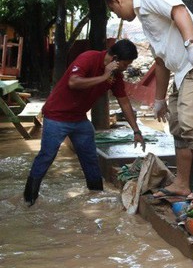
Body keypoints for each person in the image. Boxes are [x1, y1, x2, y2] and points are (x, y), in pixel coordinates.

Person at [104, 0, 193, 200]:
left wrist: (191, 44)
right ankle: (181, 183)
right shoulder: (145, 21)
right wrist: (158, 99)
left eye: (114, 11)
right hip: (182, 71)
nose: (118, 16)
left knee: (190, 121)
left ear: (116, 0)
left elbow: (179, 10)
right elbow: (160, 62)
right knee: (177, 123)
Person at [24, 39, 144, 206]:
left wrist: (136, 131)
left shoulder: (116, 75)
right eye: (125, 64)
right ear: (115, 58)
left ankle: (97, 198)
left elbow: (124, 102)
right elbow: (73, 82)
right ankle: (29, 200)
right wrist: (103, 76)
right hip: (56, 116)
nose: (126, 68)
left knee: (90, 159)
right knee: (47, 156)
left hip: (79, 119)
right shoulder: (89, 58)